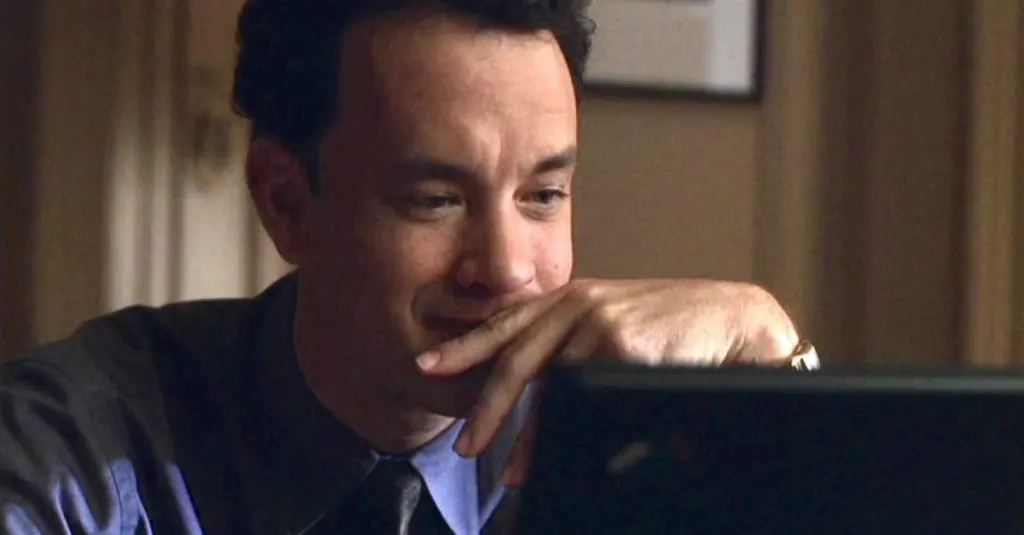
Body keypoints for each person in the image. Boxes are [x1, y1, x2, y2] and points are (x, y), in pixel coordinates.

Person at [0, 0, 817, 533]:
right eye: (435, 199)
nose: (507, 269)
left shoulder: (630, 444)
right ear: (286, 203)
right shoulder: (81, 451)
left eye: (543, 196)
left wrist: (770, 349)